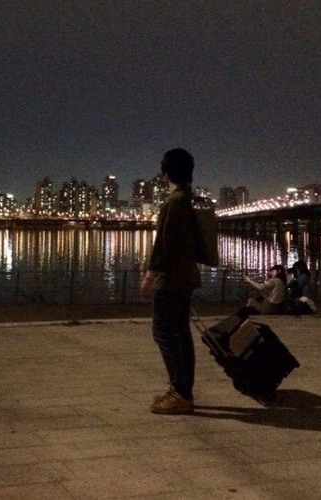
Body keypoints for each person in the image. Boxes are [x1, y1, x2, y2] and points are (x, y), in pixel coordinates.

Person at [140, 148, 201, 415]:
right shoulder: (188, 199)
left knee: (164, 333)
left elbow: (163, 244)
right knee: (180, 333)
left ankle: (181, 392)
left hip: (172, 280)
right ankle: (181, 389)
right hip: (186, 276)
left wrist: (150, 275)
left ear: (166, 174)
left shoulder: (174, 202)